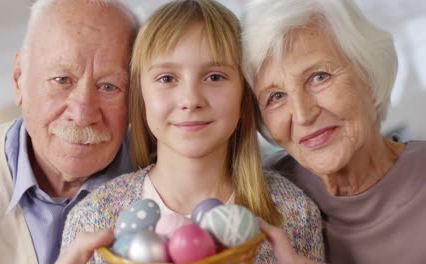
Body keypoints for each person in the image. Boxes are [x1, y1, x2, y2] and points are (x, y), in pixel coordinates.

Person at [59, 0, 325, 263]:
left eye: (214, 77)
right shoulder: (93, 218)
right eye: (167, 78)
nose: (191, 99)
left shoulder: (293, 213)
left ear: (244, 96)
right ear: (141, 98)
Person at [242, 0, 426, 263]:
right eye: (276, 96)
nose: (304, 115)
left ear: (368, 70)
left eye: (319, 77)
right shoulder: (267, 197)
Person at [0, 0, 137, 263]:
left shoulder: (168, 180)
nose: (83, 114)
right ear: (19, 79)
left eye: (109, 86)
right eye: (61, 80)